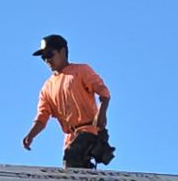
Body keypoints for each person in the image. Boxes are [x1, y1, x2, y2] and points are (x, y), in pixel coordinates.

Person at [21, 35, 114, 168]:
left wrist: (102, 112)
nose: (47, 60)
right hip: (70, 138)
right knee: (71, 169)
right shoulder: (47, 87)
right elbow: (42, 116)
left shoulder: (81, 70)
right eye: (43, 57)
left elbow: (104, 92)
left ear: (63, 52)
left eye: (49, 54)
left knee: (72, 157)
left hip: (90, 130)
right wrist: (31, 135)